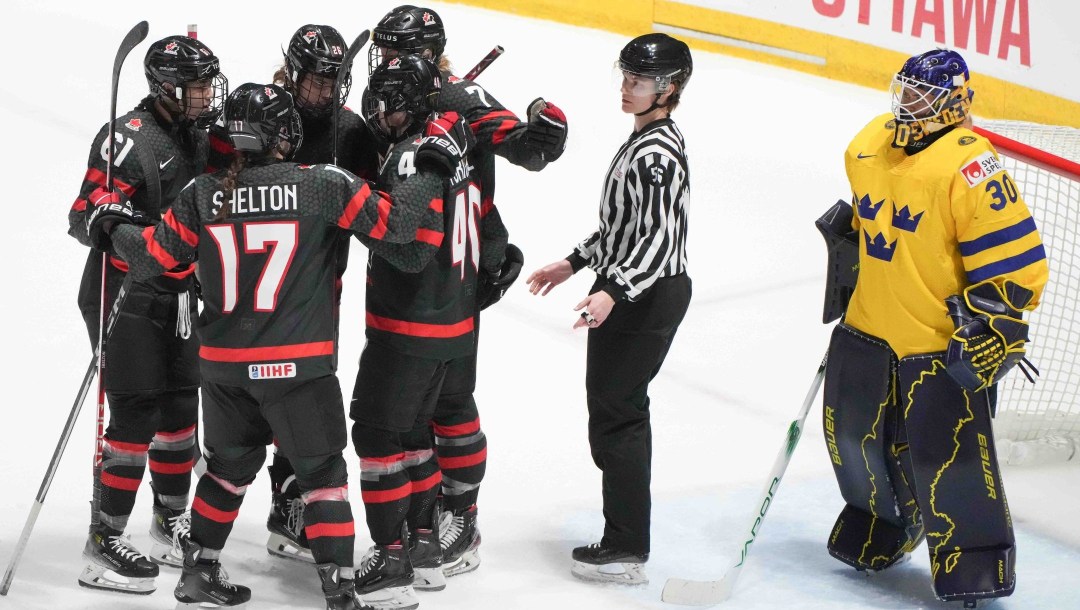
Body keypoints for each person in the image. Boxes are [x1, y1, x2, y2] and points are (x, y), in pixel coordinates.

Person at [85, 81, 469, 609]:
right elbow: (400, 224)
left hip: (222, 366)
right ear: (285, 133)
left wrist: (109, 224)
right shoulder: (322, 184)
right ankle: (339, 591)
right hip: (298, 365)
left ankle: (198, 574)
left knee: (225, 470)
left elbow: (154, 258)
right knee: (324, 477)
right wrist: (431, 165)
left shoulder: (202, 192)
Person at [817, 48, 1048, 608]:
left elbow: (1019, 264)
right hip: (869, 326)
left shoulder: (972, 167)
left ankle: (975, 559)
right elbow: (869, 219)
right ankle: (883, 525)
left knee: (951, 465)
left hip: (936, 342)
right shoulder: (869, 142)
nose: (908, 103)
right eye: (906, 89)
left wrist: (994, 325)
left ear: (953, 105)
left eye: (923, 95)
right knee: (853, 442)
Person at [367, 4, 567, 578]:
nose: (390, 59)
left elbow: (529, 152)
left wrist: (544, 132)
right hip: (412, 271)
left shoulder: (463, 100)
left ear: (430, 53)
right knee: (415, 410)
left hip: (455, 274)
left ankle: (461, 515)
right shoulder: (387, 94)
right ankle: (427, 518)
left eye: (400, 50)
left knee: (447, 403)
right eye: (385, 49)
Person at [525, 33, 693, 586]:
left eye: (638, 80)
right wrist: (574, 263)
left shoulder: (657, 153)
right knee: (610, 412)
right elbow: (624, 228)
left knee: (619, 416)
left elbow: (657, 241)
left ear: (666, 88)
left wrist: (612, 290)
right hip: (631, 289)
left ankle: (625, 546)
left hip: (648, 296)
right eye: (625, 77)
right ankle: (624, 537)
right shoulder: (645, 139)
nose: (626, 88)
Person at [66, 34, 227, 594]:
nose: (207, 97)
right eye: (197, 87)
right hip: (124, 292)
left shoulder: (200, 136)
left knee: (183, 408)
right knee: (136, 412)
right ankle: (104, 538)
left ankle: (167, 520)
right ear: (165, 88)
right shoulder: (128, 139)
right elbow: (83, 212)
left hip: (181, 294)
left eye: (209, 85)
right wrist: (120, 228)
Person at [348, 54, 479, 608]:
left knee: (377, 437)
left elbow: (406, 249)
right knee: (415, 436)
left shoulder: (409, 158)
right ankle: (423, 544)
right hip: (452, 325)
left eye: (384, 99)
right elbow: (488, 236)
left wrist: (354, 216)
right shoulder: (457, 150)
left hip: (407, 328)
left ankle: (390, 558)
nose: (376, 110)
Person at [258, 23, 382, 565]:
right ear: (293, 70)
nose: (325, 88)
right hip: (254, 287)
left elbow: (373, 206)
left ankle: (287, 507)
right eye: (316, 77)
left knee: (303, 399)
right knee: (247, 395)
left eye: (334, 79)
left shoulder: (351, 130)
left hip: (317, 287)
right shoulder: (261, 112)